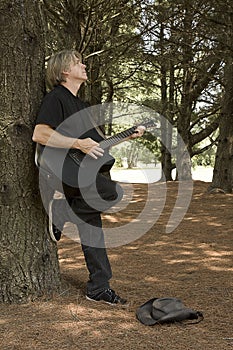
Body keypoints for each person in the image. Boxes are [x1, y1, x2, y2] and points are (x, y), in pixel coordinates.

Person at [32, 49, 145, 305]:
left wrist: (126, 135)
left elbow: (95, 146)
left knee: (92, 220)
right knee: (111, 192)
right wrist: (77, 144)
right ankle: (60, 209)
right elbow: (40, 134)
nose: (84, 66)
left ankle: (98, 286)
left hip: (79, 175)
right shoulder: (56, 98)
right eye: (78, 63)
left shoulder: (82, 106)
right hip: (58, 169)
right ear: (64, 71)